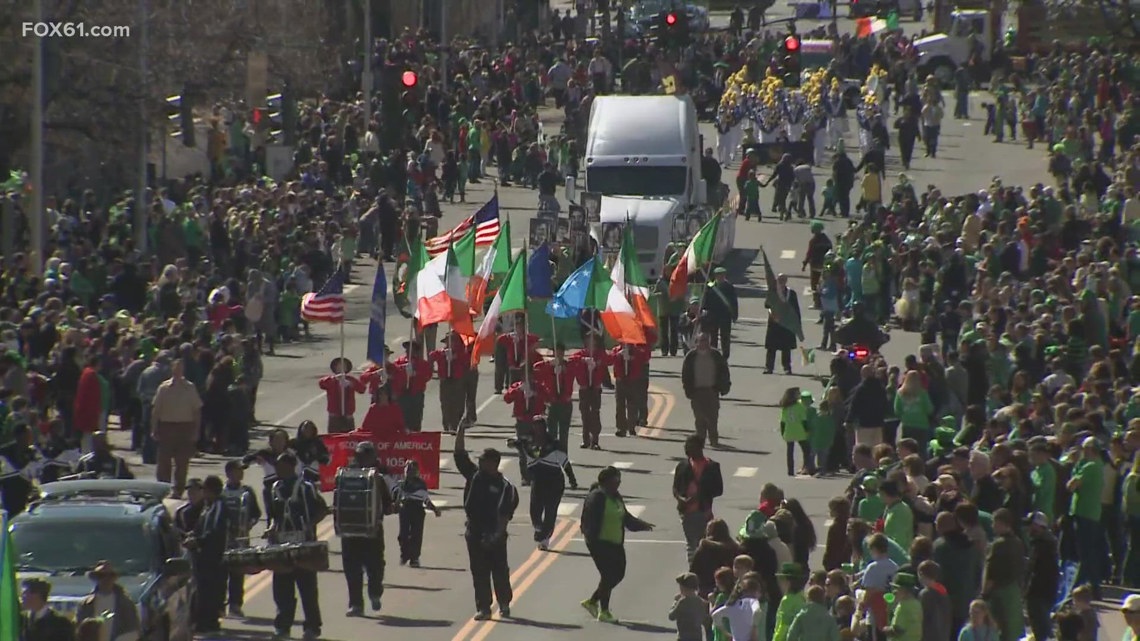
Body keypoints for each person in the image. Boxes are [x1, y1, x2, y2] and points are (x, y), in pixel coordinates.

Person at [453, 421, 519, 620]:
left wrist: (496, 535)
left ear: (493, 463)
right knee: (479, 572)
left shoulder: (505, 487)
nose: (480, 463)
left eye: (483, 460)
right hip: (474, 532)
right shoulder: (475, 476)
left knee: (499, 570)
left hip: (494, 534)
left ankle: (504, 604)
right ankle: (483, 607)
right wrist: (460, 431)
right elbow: (459, 455)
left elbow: (505, 514)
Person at [580, 465, 654, 623]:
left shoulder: (616, 496)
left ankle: (592, 601)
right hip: (599, 542)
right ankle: (604, 611)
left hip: (616, 541)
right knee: (608, 575)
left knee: (618, 574)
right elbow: (587, 521)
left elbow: (625, 517)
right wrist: (592, 540)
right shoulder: (596, 497)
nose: (618, 483)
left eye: (619, 480)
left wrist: (642, 525)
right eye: (616, 480)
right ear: (606, 481)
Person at [267, 452, 326, 640]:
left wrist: (309, 525)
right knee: (282, 589)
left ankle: (312, 627)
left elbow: (322, 509)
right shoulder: (275, 488)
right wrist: (271, 529)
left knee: (307, 589)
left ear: (291, 466)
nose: (276, 469)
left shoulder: (305, 487)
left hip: (304, 543)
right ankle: (282, 627)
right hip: (282, 544)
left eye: (280, 465)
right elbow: (274, 516)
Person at [334, 441, 393, 616]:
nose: (364, 459)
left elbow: (387, 505)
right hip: (350, 530)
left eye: (367, 455)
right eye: (361, 455)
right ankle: (356, 604)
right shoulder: (346, 475)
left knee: (374, 567)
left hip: (372, 530)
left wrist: (390, 507)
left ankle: (375, 593)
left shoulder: (378, 478)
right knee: (352, 569)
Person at [150, 357, 203, 499]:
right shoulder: (164, 387)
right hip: (166, 427)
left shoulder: (190, 387)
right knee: (163, 461)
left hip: (184, 427)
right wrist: (154, 428)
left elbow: (196, 411)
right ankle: (162, 488)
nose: (178, 371)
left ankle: (178, 490)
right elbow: (156, 410)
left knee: (182, 462)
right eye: (175, 368)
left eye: (180, 368)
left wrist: (196, 431)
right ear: (172, 369)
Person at [524, 417, 578, 550]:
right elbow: (526, 455)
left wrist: (572, 479)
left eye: (540, 426)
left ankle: (545, 538)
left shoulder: (554, 444)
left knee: (550, 511)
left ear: (545, 427)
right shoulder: (529, 443)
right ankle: (539, 529)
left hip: (554, 482)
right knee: (534, 512)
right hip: (538, 481)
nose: (538, 429)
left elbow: (565, 462)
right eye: (535, 426)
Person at [185, 475, 228, 634]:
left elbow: (215, 531)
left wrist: (199, 541)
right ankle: (202, 621)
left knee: (210, 591)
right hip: (202, 556)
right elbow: (200, 527)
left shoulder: (219, 506)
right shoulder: (208, 506)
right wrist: (192, 536)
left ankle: (209, 622)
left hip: (213, 556)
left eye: (204, 489)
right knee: (202, 589)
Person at [672, 434, 725, 560]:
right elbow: (675, 487)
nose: (687, 450)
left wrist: (699, 497)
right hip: (687, 513)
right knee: (691, 545)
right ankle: (693, 567)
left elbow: (718, 490)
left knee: (703, 544)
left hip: (704, 511)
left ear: (699, 448)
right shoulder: (683, 466)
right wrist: (681, 499)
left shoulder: (712, 467)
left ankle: (701, 569)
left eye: (690, 447)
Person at [221, 459, 261, 618]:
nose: (241, 473)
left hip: (241, 538)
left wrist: (248, 524)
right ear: (229, 473)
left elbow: (256, 513)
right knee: (221, 574)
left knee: (237, 573)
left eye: (242, 470)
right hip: (223, 540)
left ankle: (235, 605)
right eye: (237, 470)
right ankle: (219, 605)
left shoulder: (247, 492)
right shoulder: (221, 492)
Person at [681, 333, 731, 447]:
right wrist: (688, 390)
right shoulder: (691, 357)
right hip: (696, 392)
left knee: (713, 417)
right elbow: (685, 375)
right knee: (699, 418)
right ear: (696, 343)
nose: (703, 343)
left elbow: (724, 372)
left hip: (712, 391)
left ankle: (714, 440)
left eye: (705, 340)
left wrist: (724, 387)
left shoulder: (716, 355)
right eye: (701, 341)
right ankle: (700, 441)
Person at [75, 562, 141, 641]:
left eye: (110, 576)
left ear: (114, 578)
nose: (106, 579)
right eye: (101, 576)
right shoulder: (85, 604)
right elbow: (79, 631)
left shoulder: (126, 603)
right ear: (96, 578)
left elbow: (134, 631)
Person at [394, 459, 442, 567]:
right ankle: (404, 554)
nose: (409, 472)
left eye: (412, 470)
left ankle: (414, 558)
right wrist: (395, 506)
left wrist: (434, 509)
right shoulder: (401, 484)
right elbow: (398, 499)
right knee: (403, 535)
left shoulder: (421, 484)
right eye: (408, 469)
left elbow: (426, 499)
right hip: (405, 510)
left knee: (416, 535)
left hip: (417, 510)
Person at [430, 331, 470, 433]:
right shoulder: (442, 352)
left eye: (452, 341)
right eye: (448, 341)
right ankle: (447, 425)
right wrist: (443, 354)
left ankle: (455, 424)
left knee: (458, 403)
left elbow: (467, 360)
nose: (450, 343)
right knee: (445, 404)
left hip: (457, 379)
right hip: (445, 380)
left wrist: (456, 356)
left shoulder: (461, 352)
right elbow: (432, 355)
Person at [764, 273, 801, 375]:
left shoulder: (791, 293)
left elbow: (796, 308)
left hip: (786, 323)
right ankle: (769, 367)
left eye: (783, 280)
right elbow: (766, 305)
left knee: (786, 347)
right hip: (774, 322)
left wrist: (797, 323)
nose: (781, 282)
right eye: (779, 280)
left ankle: (787, 367)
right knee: (771, 347)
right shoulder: (773, 292)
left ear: (786, 281)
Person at [394, 340, 432, 432]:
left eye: (411, 349)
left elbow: (427, 376)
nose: (408, 351)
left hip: (416, 393)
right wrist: (403, 371)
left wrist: (415, 374)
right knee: (402, 416)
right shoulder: (399, 361)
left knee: (415, 417)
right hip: (402, 393)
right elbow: (394, 373)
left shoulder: (423, 363)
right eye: (407, 349)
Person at [318, 357, 365, 433]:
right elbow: (321, 384)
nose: (341, 368)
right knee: (334, 435)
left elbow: (362, 389)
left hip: (348, 413)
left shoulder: (350, 379)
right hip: (334, 413)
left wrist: (351, 384)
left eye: (343, 366)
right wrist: (334, 379)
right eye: (339, 366)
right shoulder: (331, 379)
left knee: (348, 435)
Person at [703, 268, 738, 359]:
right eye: (718, 275)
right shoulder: (710, 285)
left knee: (725, 336)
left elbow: (734, 301)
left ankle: (725, 355)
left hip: (725, 315)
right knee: (713, 335)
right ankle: (713, 354)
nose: (720, 277)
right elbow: (705, 299)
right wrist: (704, 309)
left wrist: (734, 314)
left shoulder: (729, 287)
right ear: (715, 276)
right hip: (713, 314)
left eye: (722, 275)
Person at [669, 572, 708, 641]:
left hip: (683, 637)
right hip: (697, 637)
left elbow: (671, 616)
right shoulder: (701, 601)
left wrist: (675, 602)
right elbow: (705, 619)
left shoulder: (682, 602)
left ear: (684, 587)